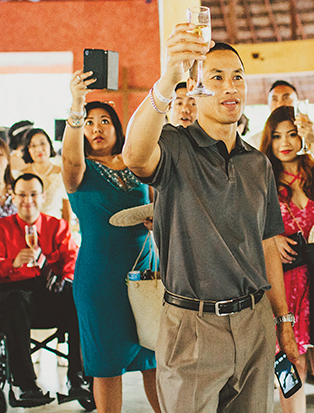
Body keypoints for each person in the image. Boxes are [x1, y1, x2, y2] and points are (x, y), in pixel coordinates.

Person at [124, 33, 303, 413]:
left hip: (254, 322)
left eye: (237, 77)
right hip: (192, 323)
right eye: (217, 77)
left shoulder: (258, 164)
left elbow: (269, 243)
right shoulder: (174, 145)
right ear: (195, 88)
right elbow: (135, 157)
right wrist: (165, 81)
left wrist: (283, 319)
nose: (229, 87)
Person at [62, 71, 163, 413]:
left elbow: (162, 202)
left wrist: (156, 219)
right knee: (106, 365)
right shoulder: (78, 171)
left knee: (155, 357)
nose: (97, 128)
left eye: (105, 121)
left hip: (145, 272)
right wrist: (77, 103)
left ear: (119, 129)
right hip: (100, 277)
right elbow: (71, 158)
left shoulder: (137, 163)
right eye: (89, 123)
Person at [0, 173, 84, 407]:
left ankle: (78, 377)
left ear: (42, 197)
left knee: (78, 298)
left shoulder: (57, 227)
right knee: (14, 300)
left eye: (33, 195)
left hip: (48, 296)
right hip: (14, 298)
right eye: (21, 195)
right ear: (13, 197)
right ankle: (25, 383)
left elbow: (72, 259)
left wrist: (65, 278)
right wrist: (11, 263)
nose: (27, 200)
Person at [262, 105, 314, 413]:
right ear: (268, 141)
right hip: (284, 285)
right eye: (277, 136)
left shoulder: (312, 169)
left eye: (292, 134)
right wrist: (269, 239)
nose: (285, 142)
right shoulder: (262, 176)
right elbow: (246, 226)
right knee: (292, 370)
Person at [15, 127, 70, 220]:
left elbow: (66, 211)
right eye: (33, 146)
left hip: (55, 228)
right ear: (28, 149)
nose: (39, 149)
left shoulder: (62, 173)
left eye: (42, 143)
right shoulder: (21, 175)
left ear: (49, 144)